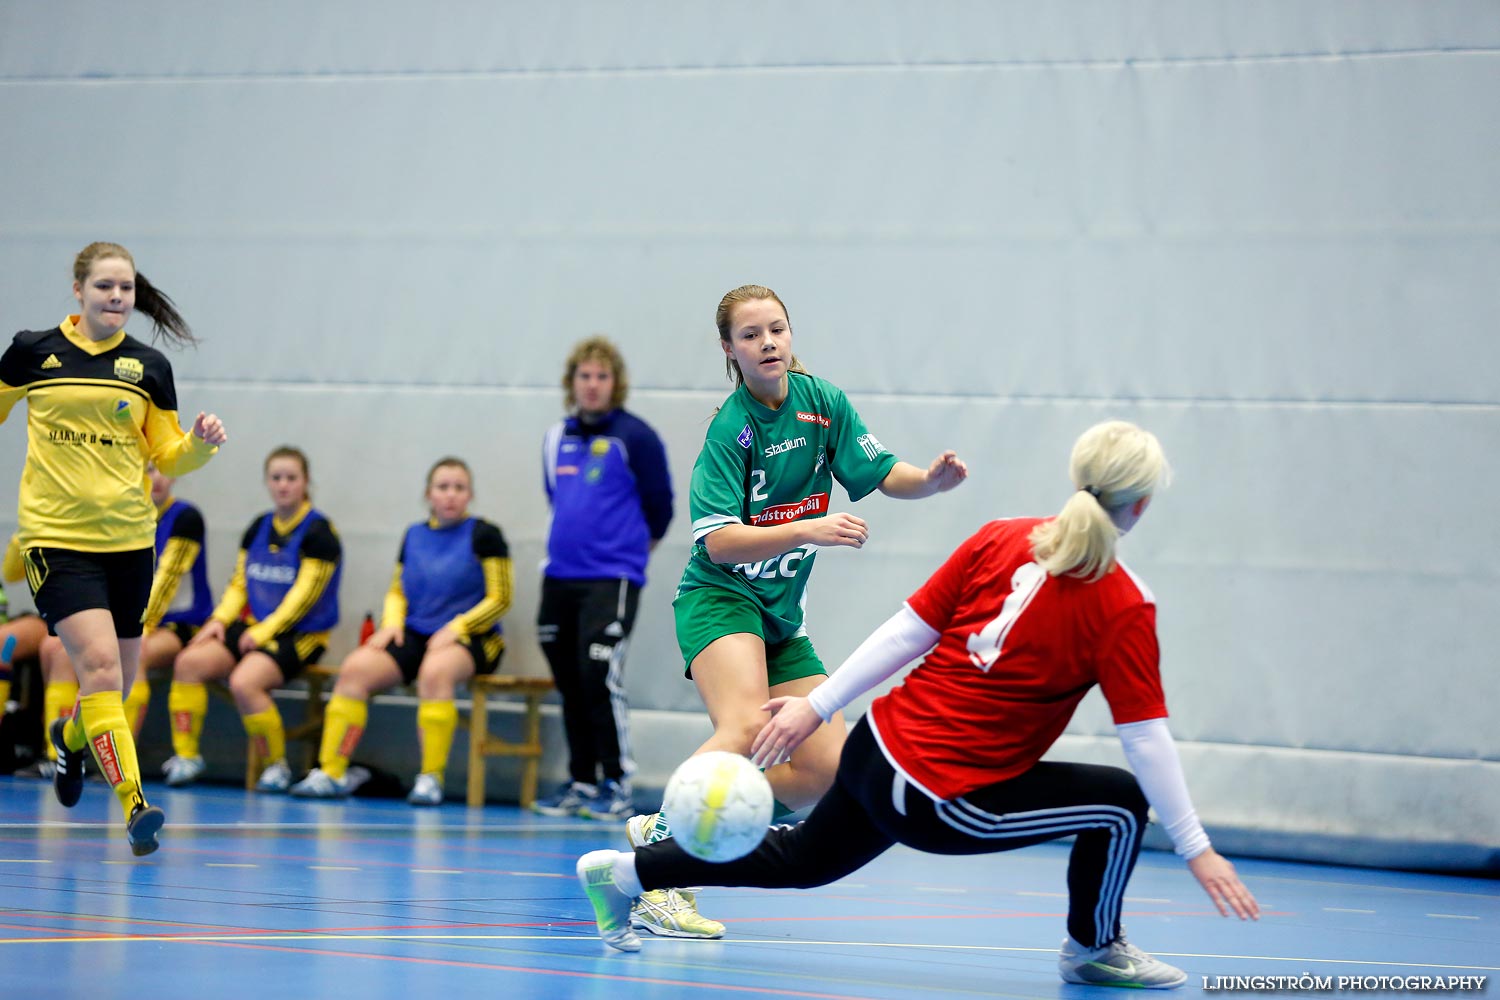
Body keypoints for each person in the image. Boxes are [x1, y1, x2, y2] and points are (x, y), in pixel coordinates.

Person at [578, 420, 1260, 988]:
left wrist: (817, 705)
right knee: (1118, 804)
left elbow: (905, 632)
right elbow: (1144, 739)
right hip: (939, 793)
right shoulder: (1122, 601)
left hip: (876, 746)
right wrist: (1197, 848)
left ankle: (626, 873)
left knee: (805, 862)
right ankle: (1093, 947)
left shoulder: (1001, 535)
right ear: (1139, 507)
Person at [623, 284, 968, 940]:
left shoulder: (823, 403)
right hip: (719, 599)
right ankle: (662, 860)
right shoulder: (732, 430)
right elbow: (718, 542)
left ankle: (677, 819)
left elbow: (879, 469)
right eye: (751, 335)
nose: (768, 343)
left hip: (780, 616)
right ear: (730, 350)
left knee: (822, 773)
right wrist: (808, 528)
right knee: (748, 725)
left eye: (776, 329)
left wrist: (929, 481)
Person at [0, 241, 228, 856]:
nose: (117, 298)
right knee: (99, 669)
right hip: (55, 541)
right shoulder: (33, 352)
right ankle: (135, 804)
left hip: (129, 543)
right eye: (104, 287)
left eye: (125, 288)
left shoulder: (149, 367)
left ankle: (71, 740)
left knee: (116, 684)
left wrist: (201, 444)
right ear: (78, 290)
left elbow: (168, 453)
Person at [289, 457, 513, 805]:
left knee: (434, 672)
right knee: (355, 669)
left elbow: (501, 597)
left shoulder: (486, 534)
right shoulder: (414, 535)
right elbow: (398, 589)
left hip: (475, 637)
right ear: (428, 494)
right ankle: (332, 772)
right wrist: (391, 623)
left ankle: (430, 778)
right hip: (415, 632)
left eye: (459, 488)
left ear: (470, 495)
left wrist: (458, 628)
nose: (450, 495)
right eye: (443, 487)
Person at [532, 337, 673, 821]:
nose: (592, 386)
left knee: (599, 675)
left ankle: (617, 783)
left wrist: (630, 553)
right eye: (584, 376)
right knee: (569, 679)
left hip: (611, 579)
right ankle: (582, 781)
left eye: (601, 377)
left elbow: (661, 506)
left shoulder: (636, 437)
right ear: (572, 383)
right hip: (559, 578)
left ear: (616, 384)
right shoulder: (556, 438)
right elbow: (558, 498)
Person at [166, 446, 340, 791]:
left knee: (245, 683)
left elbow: (303, 599)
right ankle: (186, 757)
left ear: (305, 482)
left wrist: (265, 631)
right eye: (276, 478)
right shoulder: (259, 527)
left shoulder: (320, 533)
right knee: (189, 662)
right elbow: (239, 584)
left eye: (291, 478)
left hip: (303, 634)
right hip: (257, 628)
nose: (283, 485)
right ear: (267, 483)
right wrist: (219, 620)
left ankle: (276, 766)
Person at [27, 464, 215, 777]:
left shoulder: (185, 518)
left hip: (174, 623)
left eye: (158, 469)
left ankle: (112, 763)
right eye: (144, 470)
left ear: (173, 473)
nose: (152, 478)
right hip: (121, 618)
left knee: (132, 657)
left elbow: (166, 581)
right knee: (59, 653)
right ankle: (60, 758)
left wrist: (134, 626)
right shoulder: (116, 515)